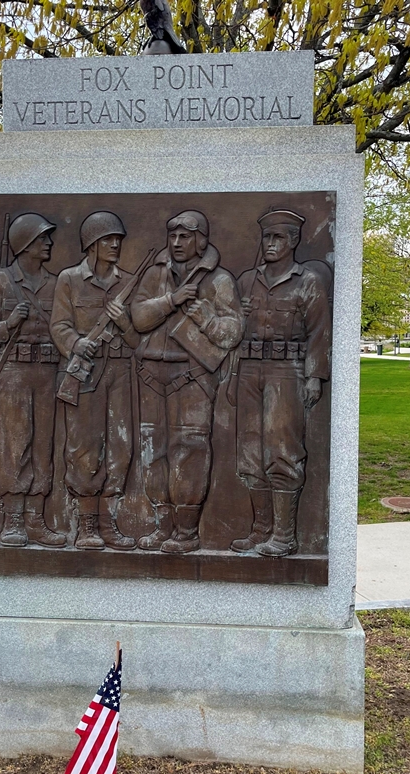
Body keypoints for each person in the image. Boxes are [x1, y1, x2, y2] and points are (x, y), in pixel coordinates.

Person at [131, 210, 243, 553]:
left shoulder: (219, 280)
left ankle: (186, 531)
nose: (177, 243)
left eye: (185, 236)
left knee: (190, 451)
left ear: (201, 240)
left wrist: (206, 317)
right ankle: (162, 525)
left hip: (192, 378)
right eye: (173, 236)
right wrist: (171, 300)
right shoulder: (154, 275)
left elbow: (233, 331)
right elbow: (138, 317)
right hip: (151, 376)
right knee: (153, 452)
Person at [231, 209, 331, 557]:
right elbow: (228, 330)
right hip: (248, 370)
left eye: (278, 238)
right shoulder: (246, 280)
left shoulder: (308, 281)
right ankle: (260, 530)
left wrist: (315, 377)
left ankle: (284, 536)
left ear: (293, 241)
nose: (270, 244)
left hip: (286, 372)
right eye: (266, 238)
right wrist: (237, 319)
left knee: (282, 451)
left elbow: (320, 333)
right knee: (249, 452)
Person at [0, 212, 66, 548]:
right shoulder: (1, 281)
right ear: (26, 245)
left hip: (47, 373)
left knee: (44, 445)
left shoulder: (56, 283)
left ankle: (36, 520)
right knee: (16, 443)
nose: (49, 243)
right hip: (12, 372)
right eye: (43, 239)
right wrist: (9, 323)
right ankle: (12, 520)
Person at [50, 211, 139, 550]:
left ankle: (108, 521)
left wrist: (127, 323)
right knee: (85, 447)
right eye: (107, 239)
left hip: (119, 372)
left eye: (118, 239)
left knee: (121, 446)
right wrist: (77, 343)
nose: (115, 244)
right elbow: (59, 325)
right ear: (91, 244)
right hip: (85, 371)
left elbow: (138, 339)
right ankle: (87, 524)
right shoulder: (69, 279)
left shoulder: (128, 281)